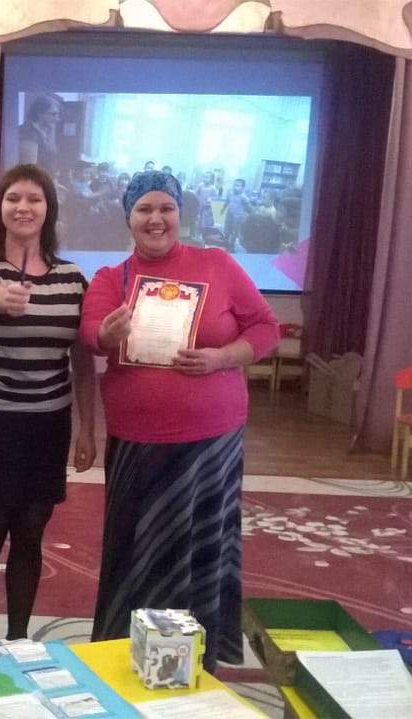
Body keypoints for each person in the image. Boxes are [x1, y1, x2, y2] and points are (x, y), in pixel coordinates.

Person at [80, 170, 279, 672]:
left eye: (165, 208)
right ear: (128, 218)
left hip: (212, 443)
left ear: (179, 213)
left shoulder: (218, 264)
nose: (156, 218)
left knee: (202, 549)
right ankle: (130, 658)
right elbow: (90, 333)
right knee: (140, 552)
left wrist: (222, 357)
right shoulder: (110, 279)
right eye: (144, 209)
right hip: (139, 445)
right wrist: (106, 334)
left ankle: (199, 662)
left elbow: (265, 327)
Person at [0, 164, 97, 648]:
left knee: (31, 533)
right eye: (13, 198)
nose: (23, 207)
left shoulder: (73, 280)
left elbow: (82, 361)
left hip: (48, 425)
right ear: (0, 208)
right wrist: (3, 298)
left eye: (34, 199)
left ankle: (18, 639)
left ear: (48, 209)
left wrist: (87, 429)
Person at [17, 95, 62, 173]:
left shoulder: (46, 131)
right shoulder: (28, 131)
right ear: (39, 113)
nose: (57, 119)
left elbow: (51, 151)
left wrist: (52, 130)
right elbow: (29, 167)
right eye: (53, 114)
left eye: (58, 115)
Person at [223, 178, 253, 251]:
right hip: (229, 214)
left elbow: (249, 207)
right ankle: (225, 242)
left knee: (234, 232)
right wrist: (223, 209)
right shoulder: (230, 193)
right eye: (234, 185)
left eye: (237, 186)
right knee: (227, 229)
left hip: (237, 217)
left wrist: (250, 214)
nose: (235, 187)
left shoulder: (243, 197)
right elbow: (227, 201)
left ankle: (231, 245)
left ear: (242, 188)